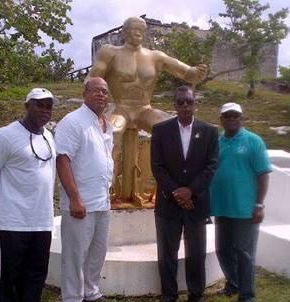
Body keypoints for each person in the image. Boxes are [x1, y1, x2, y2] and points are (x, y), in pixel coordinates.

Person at [87, 16, 208, 205]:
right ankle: (106, 189)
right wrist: (92, 96)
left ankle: (169, 188)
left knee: (173, 129)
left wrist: (194, 72)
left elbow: (183, 70)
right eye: (134, 29)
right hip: (120, 106)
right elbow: (92, 78)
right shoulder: (110, 52)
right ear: (124, 32)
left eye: (142, 30)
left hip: (144, 107)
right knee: (113, 132)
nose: (138, 33)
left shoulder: (154, 56)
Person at [0, 88, 58, 302]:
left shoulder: (48, 136)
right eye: (39, 105)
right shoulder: (6, 135)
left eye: (49, 106)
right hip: (12, 219)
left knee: (36, 270)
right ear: (27, 106)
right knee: (10, 273)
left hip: (41, 218)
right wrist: (2, 201)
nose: (45, 111)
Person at [150, 86, 218, 302]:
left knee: (196, 251)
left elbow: (211, 166)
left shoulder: (209, 131)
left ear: (195, 104)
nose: (185, 106)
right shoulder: (160, 130)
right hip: (168, 203)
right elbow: (157, 167)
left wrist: (191, 191)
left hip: (196, 203)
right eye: (180, 102)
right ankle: (168, 294)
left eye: (189, 102)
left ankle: (196, 295)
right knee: (167, 251)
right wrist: (176, 192)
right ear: (174, 105)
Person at [55, 77, 114, 302]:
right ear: (85, 93)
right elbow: (63, 159)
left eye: (105, 91)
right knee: (75, 254)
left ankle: (91, 291)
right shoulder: (73, 122)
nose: (101, 95)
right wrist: (75, 198)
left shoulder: (105, 124)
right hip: (80, 203)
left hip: (102, 200)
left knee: (97, 251)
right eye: (96, 91)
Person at [209, 102, 272, 302]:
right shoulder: (217, 143)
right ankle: (233, 284)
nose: (232, 119)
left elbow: (263, 174)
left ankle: (247, 296)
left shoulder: (254, 141)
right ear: (221, 120)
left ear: (241, 118)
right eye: (227, 116)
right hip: (222, 208)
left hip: (246, 210)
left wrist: (259, 204)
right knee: (223, 250)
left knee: (244, 253)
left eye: (235, 115)